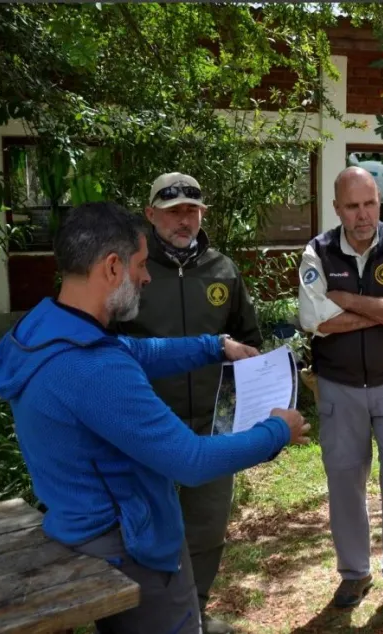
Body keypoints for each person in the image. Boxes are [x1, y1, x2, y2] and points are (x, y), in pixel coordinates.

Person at [0, 202, 309, 634]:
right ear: (113, 267)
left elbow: (138, 351)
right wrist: (275, 431)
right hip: (129, 544)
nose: (147, 276)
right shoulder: (96, 370)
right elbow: (190, 461)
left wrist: (215, 345)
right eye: (140, 264)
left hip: (74, 523)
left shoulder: (43, 330)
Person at [114, 172, 263, 634]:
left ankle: (192, 614)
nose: (184, 220)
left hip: (212, 428)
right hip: (148, 429)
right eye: (174, 210)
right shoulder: (130, 271)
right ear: (151, 214)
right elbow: (108, 348)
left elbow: (248, 339)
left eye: (192, 211)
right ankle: (145, 619)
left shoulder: (223, 270)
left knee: (207, 530)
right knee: (145, 531)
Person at [297, 166, 383, 618]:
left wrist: (350, 299)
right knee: (344, 485)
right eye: (352, 206)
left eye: (370, 203)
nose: (363, 215)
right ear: (337, 208)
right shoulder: (317, 252)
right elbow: (315, 320)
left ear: (380, 202)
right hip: (339, 388)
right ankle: (354, 574)